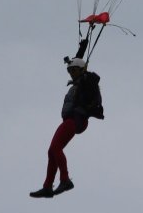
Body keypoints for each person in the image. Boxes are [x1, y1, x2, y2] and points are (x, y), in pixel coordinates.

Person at [29, 50, 104, 198]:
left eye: (74, 70)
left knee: (55, 148)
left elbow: (89, 80)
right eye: (70, 71)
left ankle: (65, 180)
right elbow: (78, 60)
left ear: (82, 70)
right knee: (52, 151)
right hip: (72, 120)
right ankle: (47, 187)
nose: (71, 74)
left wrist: (85, 72)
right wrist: (82, 47)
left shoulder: (86, 82)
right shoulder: (79, 82)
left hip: (75, 120)